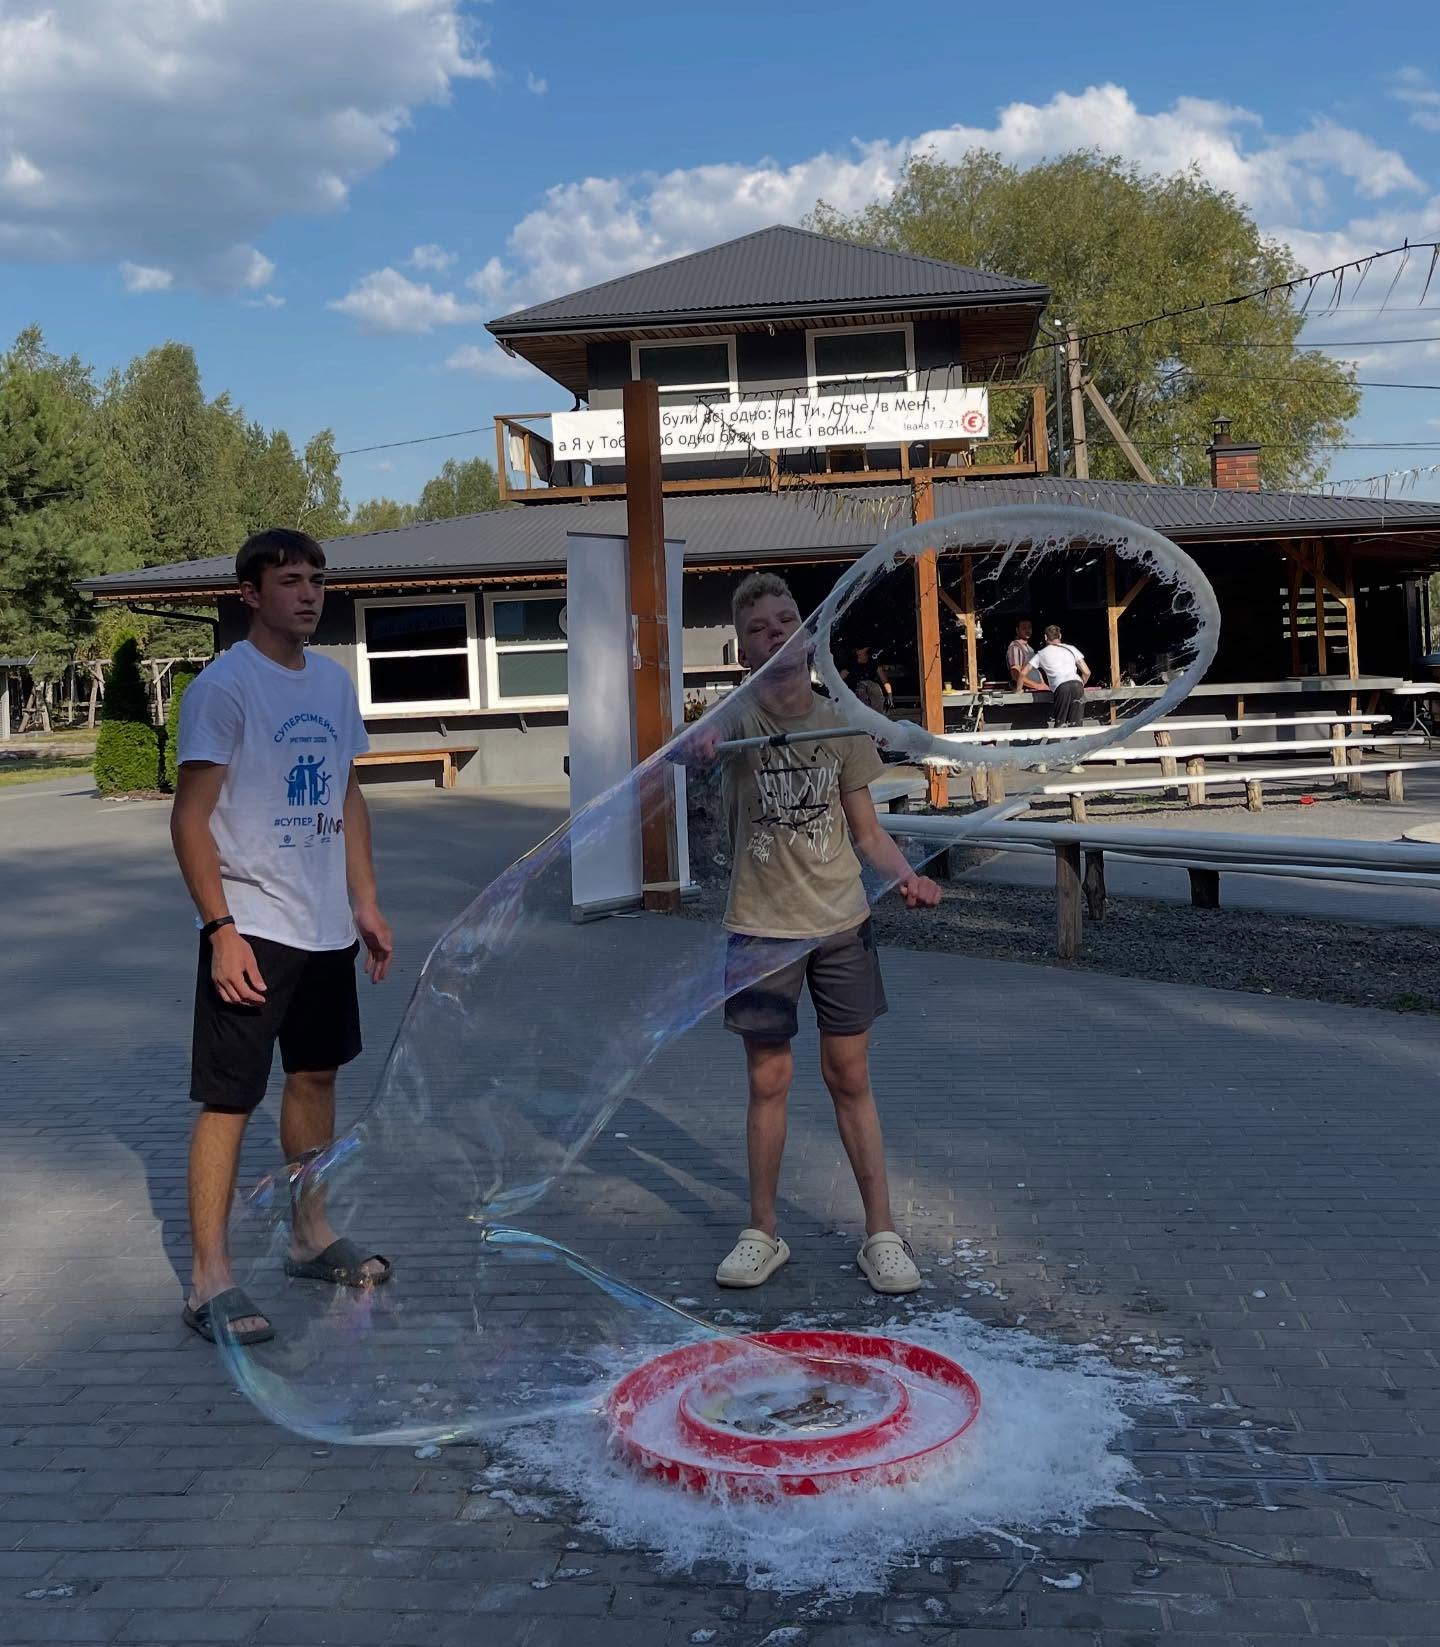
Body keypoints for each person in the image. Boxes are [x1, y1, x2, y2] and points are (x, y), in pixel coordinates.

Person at [170, 528, 395, 1346]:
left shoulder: (332, 684)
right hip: (252, 925)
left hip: (324, 927)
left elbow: (347, 794)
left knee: (315, 1076)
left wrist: (364, 900)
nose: (308, 594)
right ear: (250, 594)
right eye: (291, 580)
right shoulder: (224, 688)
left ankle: (310, 1235)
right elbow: (189, 818)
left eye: (317, 580)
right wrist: (220, 929)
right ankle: (209, 1277)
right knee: (230, 1096)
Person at [692, 572, 942, 1296]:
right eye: (758, 628)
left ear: (807, 637)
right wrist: (699, 745)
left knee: (849, 1077)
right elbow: (690, 749)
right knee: (768, 1080)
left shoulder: (840, 722)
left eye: (786, 621)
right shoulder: (736, 719)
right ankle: (762, 1233)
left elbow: (868, 833)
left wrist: (907, 877)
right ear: (743, 652)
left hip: (840, 925)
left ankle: (881, 1235)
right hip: (760, 928)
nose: (775, 633)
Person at [1021, 624, 1090, 729]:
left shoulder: (1041, 654)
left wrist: (1018, 689)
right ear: (1060, 636)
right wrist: (1080, 684)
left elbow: (1022, 673)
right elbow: (1087, 672)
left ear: (1045, 637)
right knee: (1076, 727)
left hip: (1061, 687)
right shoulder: (1071, 649)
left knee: (1060, 725)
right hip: (1077, 684)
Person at [840, 643, 894, 714]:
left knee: (873, 686)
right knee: (862, 687)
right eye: (857, 651)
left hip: (871, 690)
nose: (858, 652)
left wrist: (890, 695)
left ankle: (878, 714)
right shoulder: (851, 663)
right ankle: (864, 712)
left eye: (861, 650)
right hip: (855, 689)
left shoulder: (874, 663)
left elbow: (885, 681)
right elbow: (839, 678)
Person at [1006, 619, 1036, 691]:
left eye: (1029, 627)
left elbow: (1035, 670)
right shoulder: (1015, 648)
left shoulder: (1030, 649)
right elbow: (1016, 673)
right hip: (1024, 691)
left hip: (1035, 690)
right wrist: (1037, 685)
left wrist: (1042, 684)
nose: (1027, 630)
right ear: (1017, 630)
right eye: (1024, 628)